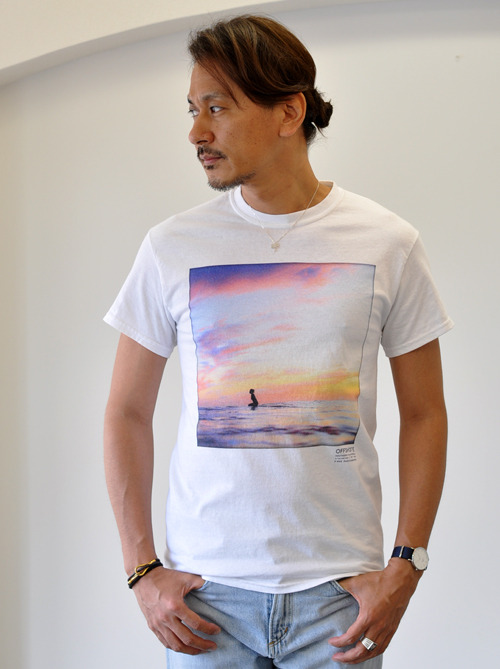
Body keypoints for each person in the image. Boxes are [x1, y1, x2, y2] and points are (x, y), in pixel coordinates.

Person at [103, 14, 452, 667]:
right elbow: (125, 411)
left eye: (217, 108)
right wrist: (141, 569)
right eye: (193, 110)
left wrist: (407, 564)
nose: (196, 132)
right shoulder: (172, 246)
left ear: (289, 111)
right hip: (204, 601)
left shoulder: (386, 242)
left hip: (340, 597)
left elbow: (426, 412)